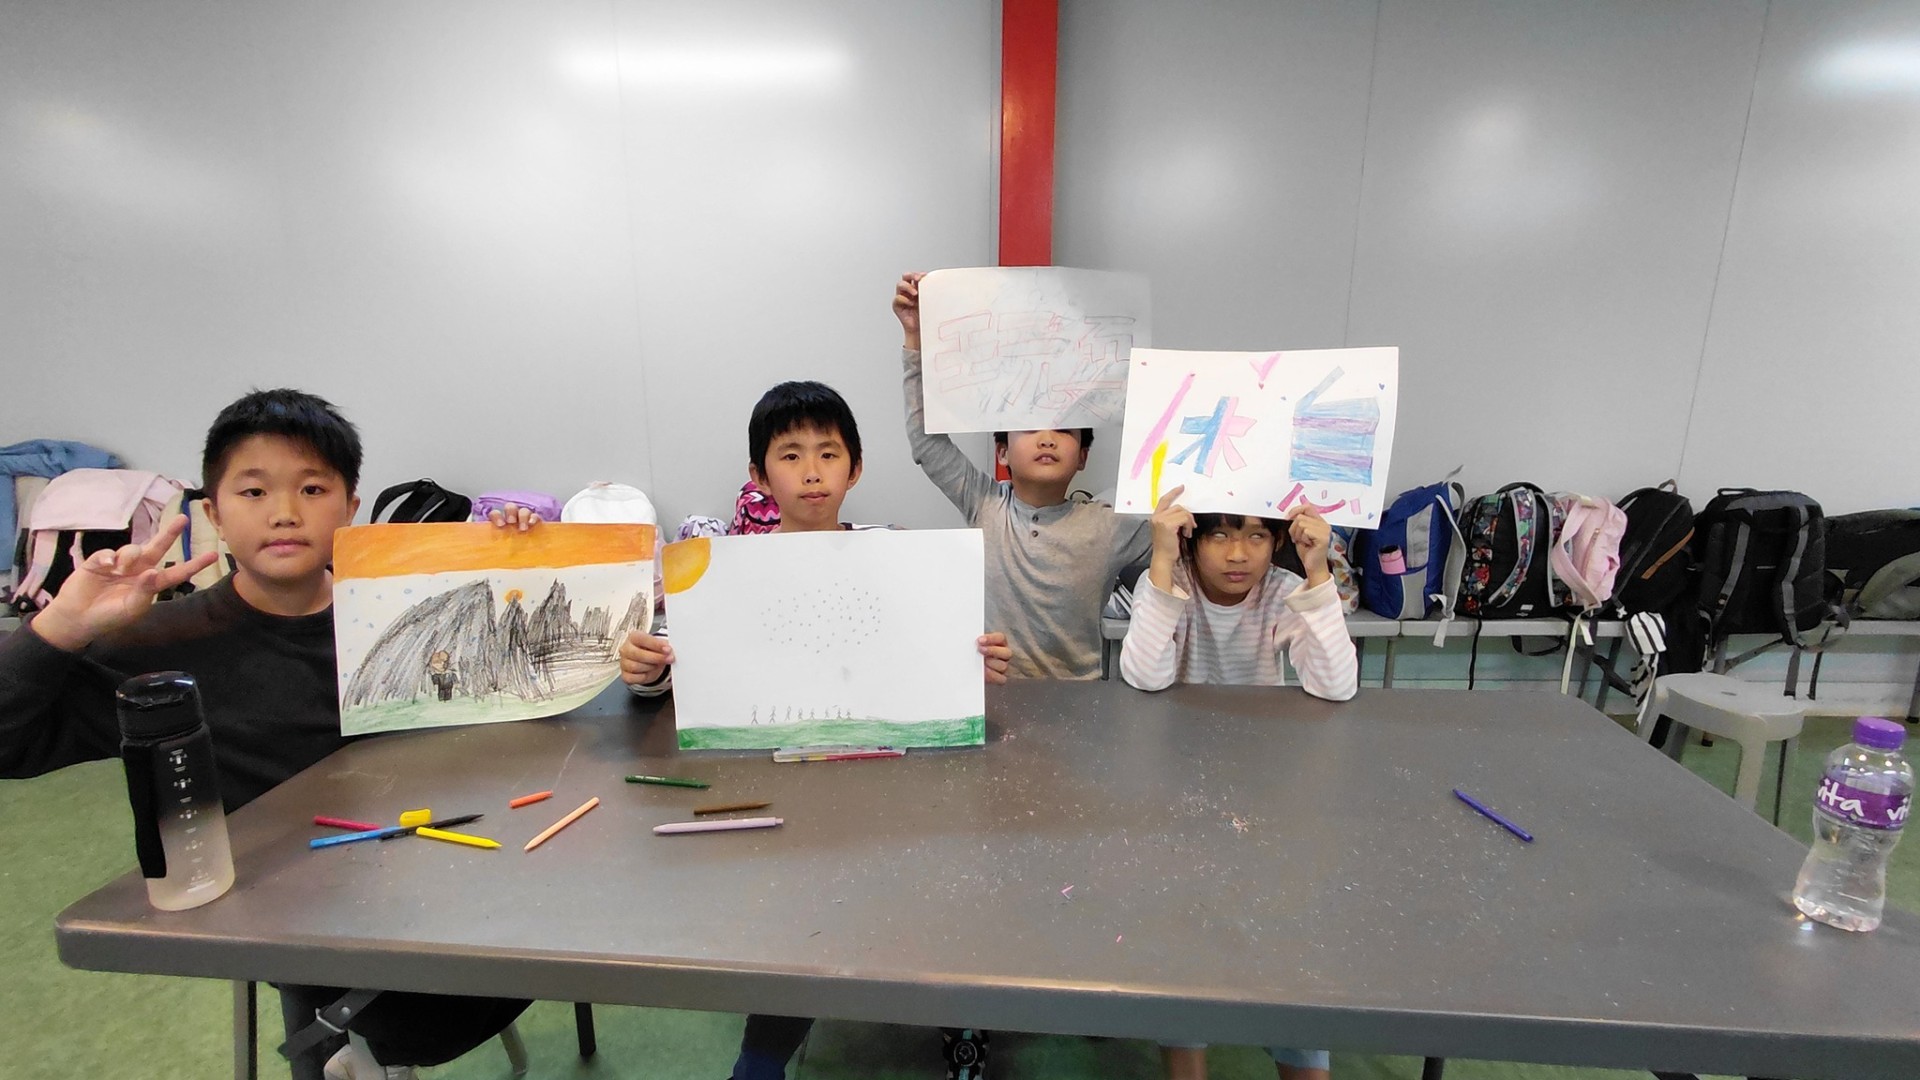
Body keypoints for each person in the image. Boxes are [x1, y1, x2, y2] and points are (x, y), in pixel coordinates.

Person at [0, 389, 541, 1080]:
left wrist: (527, 559)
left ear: (350, 508)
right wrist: (61, 628)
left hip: (456, 877)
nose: (284, 512)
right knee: (409, 1017)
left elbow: (526, 704)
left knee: (547, 941)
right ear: (215, 515)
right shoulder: (158, 648)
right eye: (253, 491)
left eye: (312, 489)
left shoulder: (405, 614)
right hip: (304, 925)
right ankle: (356, 1054)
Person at [618, 379, 1010, 1080]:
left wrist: (975, 657)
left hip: (893, 783)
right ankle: (766, 1046)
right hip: (782, 794)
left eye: (828, 454)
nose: (811, 472)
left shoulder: (900, 558)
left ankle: (959, 1017)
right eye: (790, 455)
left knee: (928, 897)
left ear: (855, 469)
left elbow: (933, 657)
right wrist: (645, 669)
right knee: (794, 925)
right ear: (759, 474)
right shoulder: (720, 570)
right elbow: (674, 673)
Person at [1121, 485, 1357, 1080]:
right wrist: (1161, 563)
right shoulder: (1170, 587)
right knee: (1181, 943)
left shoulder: (1283, 591)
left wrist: (1318, 571)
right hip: (1178, 793)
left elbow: (1336, 686)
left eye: (1255, 535)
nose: (1237, 554)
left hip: (1266, 793)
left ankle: (1299, 1051)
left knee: (1288, 947)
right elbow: (1144, 675)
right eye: (1220, 535)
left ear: (1276, 540)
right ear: (1192, 539)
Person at [892, 272, 1152, 682]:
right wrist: (915, 338)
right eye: (1030, 426)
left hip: (1081, 703)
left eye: (1064, 430)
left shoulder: (1110, 525)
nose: (1047, 437)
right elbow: (927, 442)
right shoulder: (985, 504)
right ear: (1002, 452)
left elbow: (1186, 538)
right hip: (996, 692)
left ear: (1082, 456)